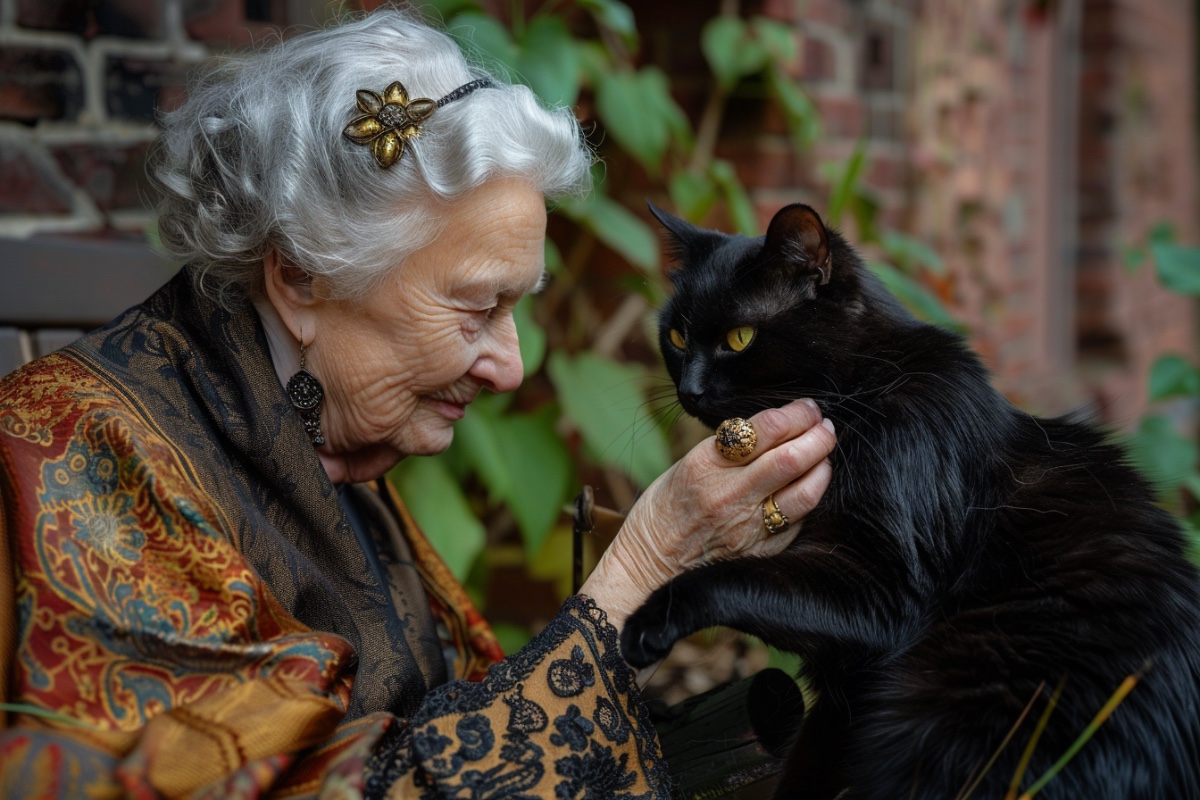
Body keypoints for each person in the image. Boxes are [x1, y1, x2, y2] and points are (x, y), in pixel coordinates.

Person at [0, 9, 836, 798]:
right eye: (477, 309)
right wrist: (642, 569)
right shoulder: (87, 455)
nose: (511, 367)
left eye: (519, 308)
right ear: (299, 277)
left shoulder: (312, 431)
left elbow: (449, 718)